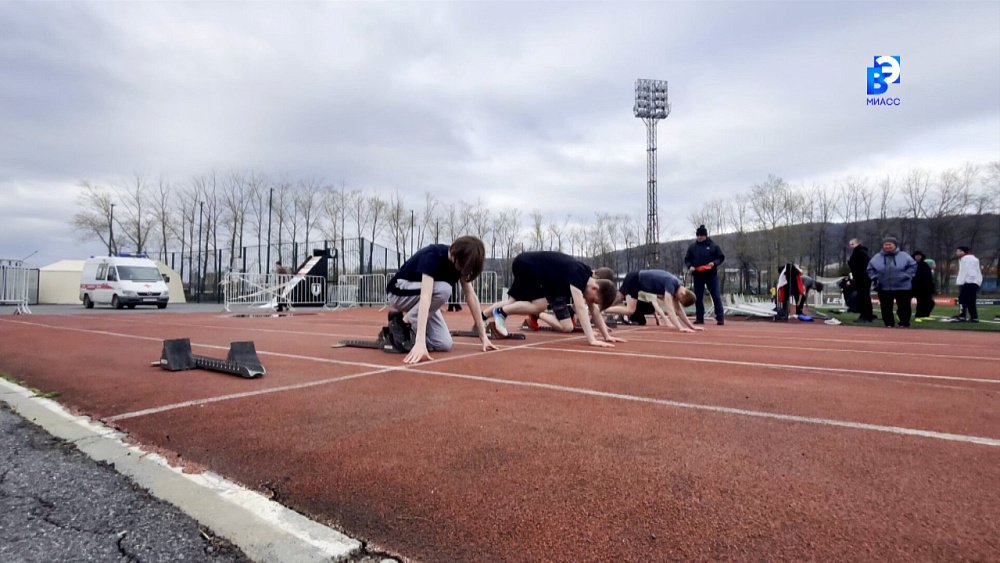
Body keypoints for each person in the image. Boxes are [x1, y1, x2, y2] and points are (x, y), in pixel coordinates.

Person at [385, 236, 496, 364]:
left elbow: (471, 295)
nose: (463, 272)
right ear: (457, 256)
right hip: (398, 291)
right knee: (444, 289)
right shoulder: (432, 255)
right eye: (464, 268)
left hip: (424, 297)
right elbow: (426, 297)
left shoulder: (460, 263)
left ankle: (408, 332)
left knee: (444, 343)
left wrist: (482, 336)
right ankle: (400, 323)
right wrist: (420, 343)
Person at [483, 251, 622, 347]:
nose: (590, 303)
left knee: (513, 302)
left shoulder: (585, 276)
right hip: (527, 266)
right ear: (595, 289)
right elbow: (580, 308)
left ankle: (482, 316)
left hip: (528, 265)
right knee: (540, 305)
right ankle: (501, 312)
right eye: (594, 300)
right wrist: (591, 339)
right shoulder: (578, 276)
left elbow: (595, 311)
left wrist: (606, 336)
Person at [604, 270, 702, 333]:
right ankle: (606, 310)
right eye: (679, 300)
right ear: (682, 294)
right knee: (630, 310)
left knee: (617, 298)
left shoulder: (677, 286)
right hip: (635, 280)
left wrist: (691, 326)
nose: (677, 300)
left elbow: (679, 310)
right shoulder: (671, 283)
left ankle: (599, 308)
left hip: (634, 277)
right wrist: (680, 327)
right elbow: (670, 309)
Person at [866, 235, 916, 328]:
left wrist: (906, 276)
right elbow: (870, 269)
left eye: (890, 244)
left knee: (904, 306)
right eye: (885, 244)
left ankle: (904, 323)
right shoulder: (877, 257)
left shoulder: (904, 256)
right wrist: (875, 277)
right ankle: (889, 323)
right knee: (885, 307)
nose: (887, 246)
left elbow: (913, 267)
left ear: (895, 245)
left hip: (903, 286)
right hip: (884, 286)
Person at [684, 225, 725, 325]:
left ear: (705, 236)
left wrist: (714, 263)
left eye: (701, 235)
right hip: (698, 275)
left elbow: (721, 257)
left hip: (711, 274)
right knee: (698, 297)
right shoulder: (692, 247)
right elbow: (687, 259)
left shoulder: (713, 246)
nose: (699, 237)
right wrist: (690, 266)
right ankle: (699, 318)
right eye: (698, 235)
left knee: (715, 295)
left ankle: (720, 317)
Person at [847, 238, 875, 322]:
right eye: (850, 244)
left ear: (858, 244)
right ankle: (866, 314)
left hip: (863, 278)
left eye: (853, 244)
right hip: (860, 278)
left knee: (864, 297)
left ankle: (866, 316)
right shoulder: (857, 253)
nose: (851, 246)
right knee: (863, 297)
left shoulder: (860, 253)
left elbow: (861, 266)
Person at [954, 246, 982, 323]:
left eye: (958, 251)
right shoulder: (972, 259)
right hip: (974, 282)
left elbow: (966, 272)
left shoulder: (966, 260)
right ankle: (974, 317)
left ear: (963, 252)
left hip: (968, 282)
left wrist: (962, 282)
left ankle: (962, 316)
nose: (956, 253)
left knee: (962, 300)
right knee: (971, 300)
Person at [911, 250, 936, 319]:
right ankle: (918, 315)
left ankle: (924, 315)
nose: (918, 257)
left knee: (929, 302)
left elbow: (928, 278)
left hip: (924, 288)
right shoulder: (911, 265)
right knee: (919, 302)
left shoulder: (925, 266)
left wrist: (931, 287)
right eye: (916, 256)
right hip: (913, 287)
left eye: (919, 256)